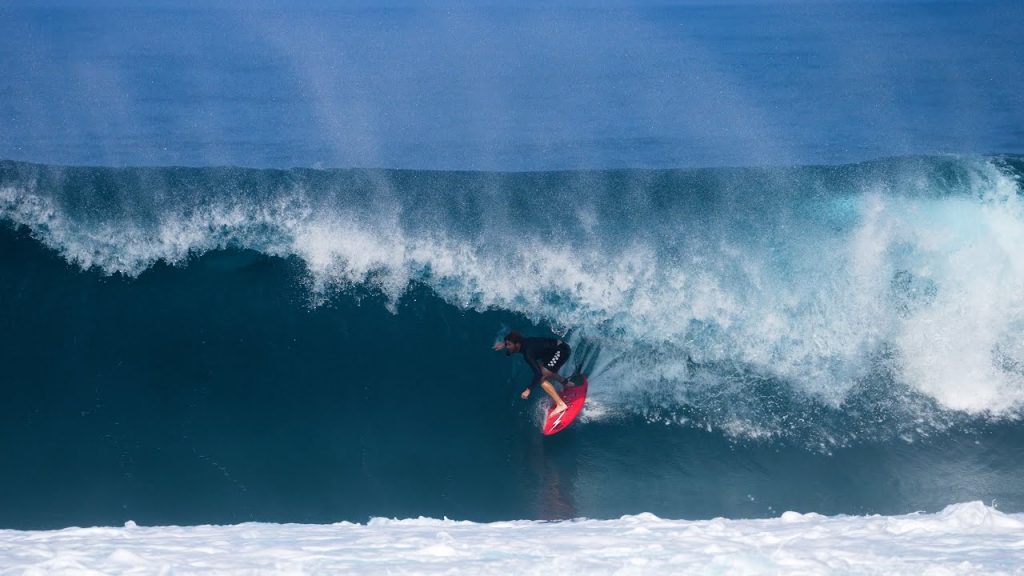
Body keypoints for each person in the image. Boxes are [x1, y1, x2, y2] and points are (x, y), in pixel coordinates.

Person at [493, 330, 574, 415]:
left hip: (561, 351)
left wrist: (528, 390)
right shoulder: (523, 342)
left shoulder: (528, 353)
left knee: (541, 378)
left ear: (517, 344)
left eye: (509, 345)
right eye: (506, 344)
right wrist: (504, 345)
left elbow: (538, 374)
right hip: (556, 349)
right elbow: (511, 350)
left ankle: (561, 404)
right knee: (544, 369)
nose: (507, 347)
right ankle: (567, 384)